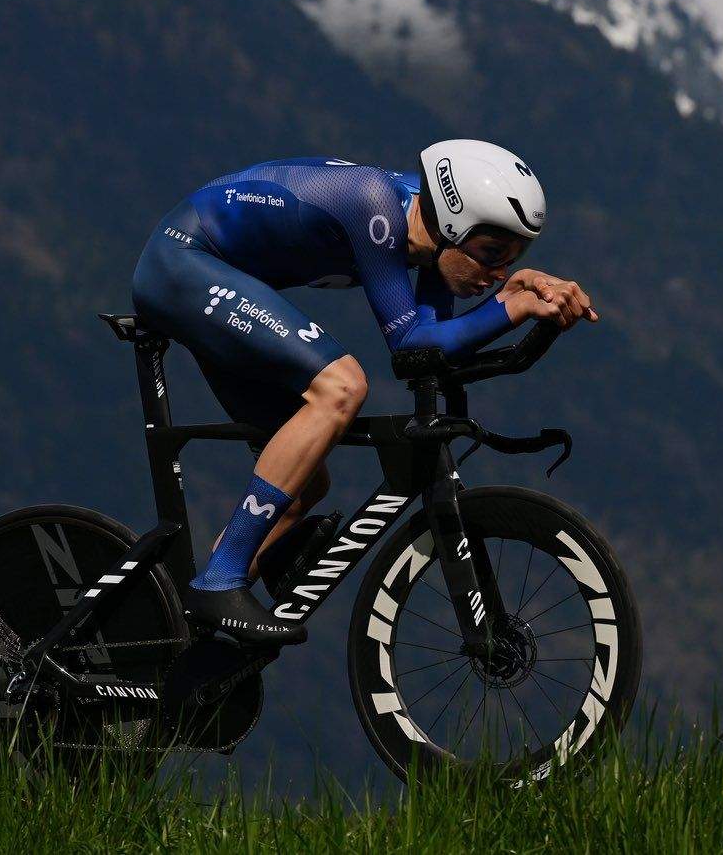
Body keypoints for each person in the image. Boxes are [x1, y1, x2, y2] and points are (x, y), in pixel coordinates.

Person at [129, 140, 599, 643]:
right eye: (492, 254)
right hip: (181, 262)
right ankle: (220, 580)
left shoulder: (432, 234)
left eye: (513, 258)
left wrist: (513, 296)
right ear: (452, 226)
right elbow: (408, 343)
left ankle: (186, 642)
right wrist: (512, 306)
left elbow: (431, 350)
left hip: (220, 281)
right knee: (342, 387)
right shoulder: (372, 203)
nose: (499, 272)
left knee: (304, 487)